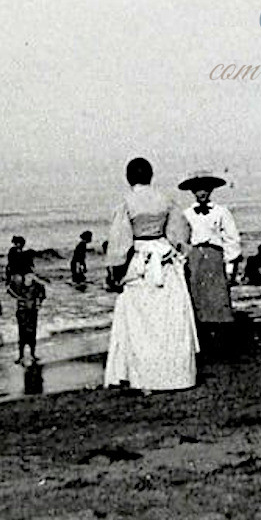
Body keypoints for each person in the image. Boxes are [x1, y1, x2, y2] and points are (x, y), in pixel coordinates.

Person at [103, 156, 198, 391]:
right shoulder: (165, 199)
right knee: (168, 318)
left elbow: (119, 243)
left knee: (141, 321)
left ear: (128, 178)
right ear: (150, 176)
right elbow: (181, 232)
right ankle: (176, 375)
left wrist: (114, 272)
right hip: (162, 255)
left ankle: (145, 377)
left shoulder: (126, 203)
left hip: (140, 257)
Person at [179, 171, 242, 350]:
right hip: (194, 258)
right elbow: (182, 240)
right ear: (192, 191)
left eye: (205, 189)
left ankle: (223, 344)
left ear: (211, 190)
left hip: (214, 258)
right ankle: (201, 343)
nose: (202, 193)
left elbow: (232, 240)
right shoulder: (186, 214)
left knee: (218, 299)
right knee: (197, 300)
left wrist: (230, 268)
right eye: (197, 189)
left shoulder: (222, 212)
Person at [7, 266, 46, 365]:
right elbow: (9, 290)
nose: (29, 278)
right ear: (24, 276)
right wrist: (18, 297)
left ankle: (33, 355)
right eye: (27, 276)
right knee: (22, 334)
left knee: (32, 333)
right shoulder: (19, 286)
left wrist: (39, 303)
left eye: (31, 276)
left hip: (32, 312)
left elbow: (43, 293)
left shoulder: (37, 286)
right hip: (22, 312)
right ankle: (21, 356)